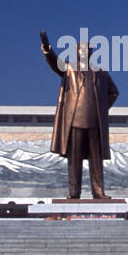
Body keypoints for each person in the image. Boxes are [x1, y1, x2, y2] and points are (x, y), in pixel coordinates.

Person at [39, 31, 119, 199]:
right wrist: (47, 49)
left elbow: (114, 92)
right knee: (74, 160)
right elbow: (55, 63)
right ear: (76, 53)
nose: (84, 53)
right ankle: (74, 193)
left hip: (95, 122)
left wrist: (102, 109)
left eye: (87, 50)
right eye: (81, 50)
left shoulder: (101, 73)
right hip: (74, 121)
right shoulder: (69, 69)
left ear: (91, 53)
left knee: (96, 161)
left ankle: (98, 192)